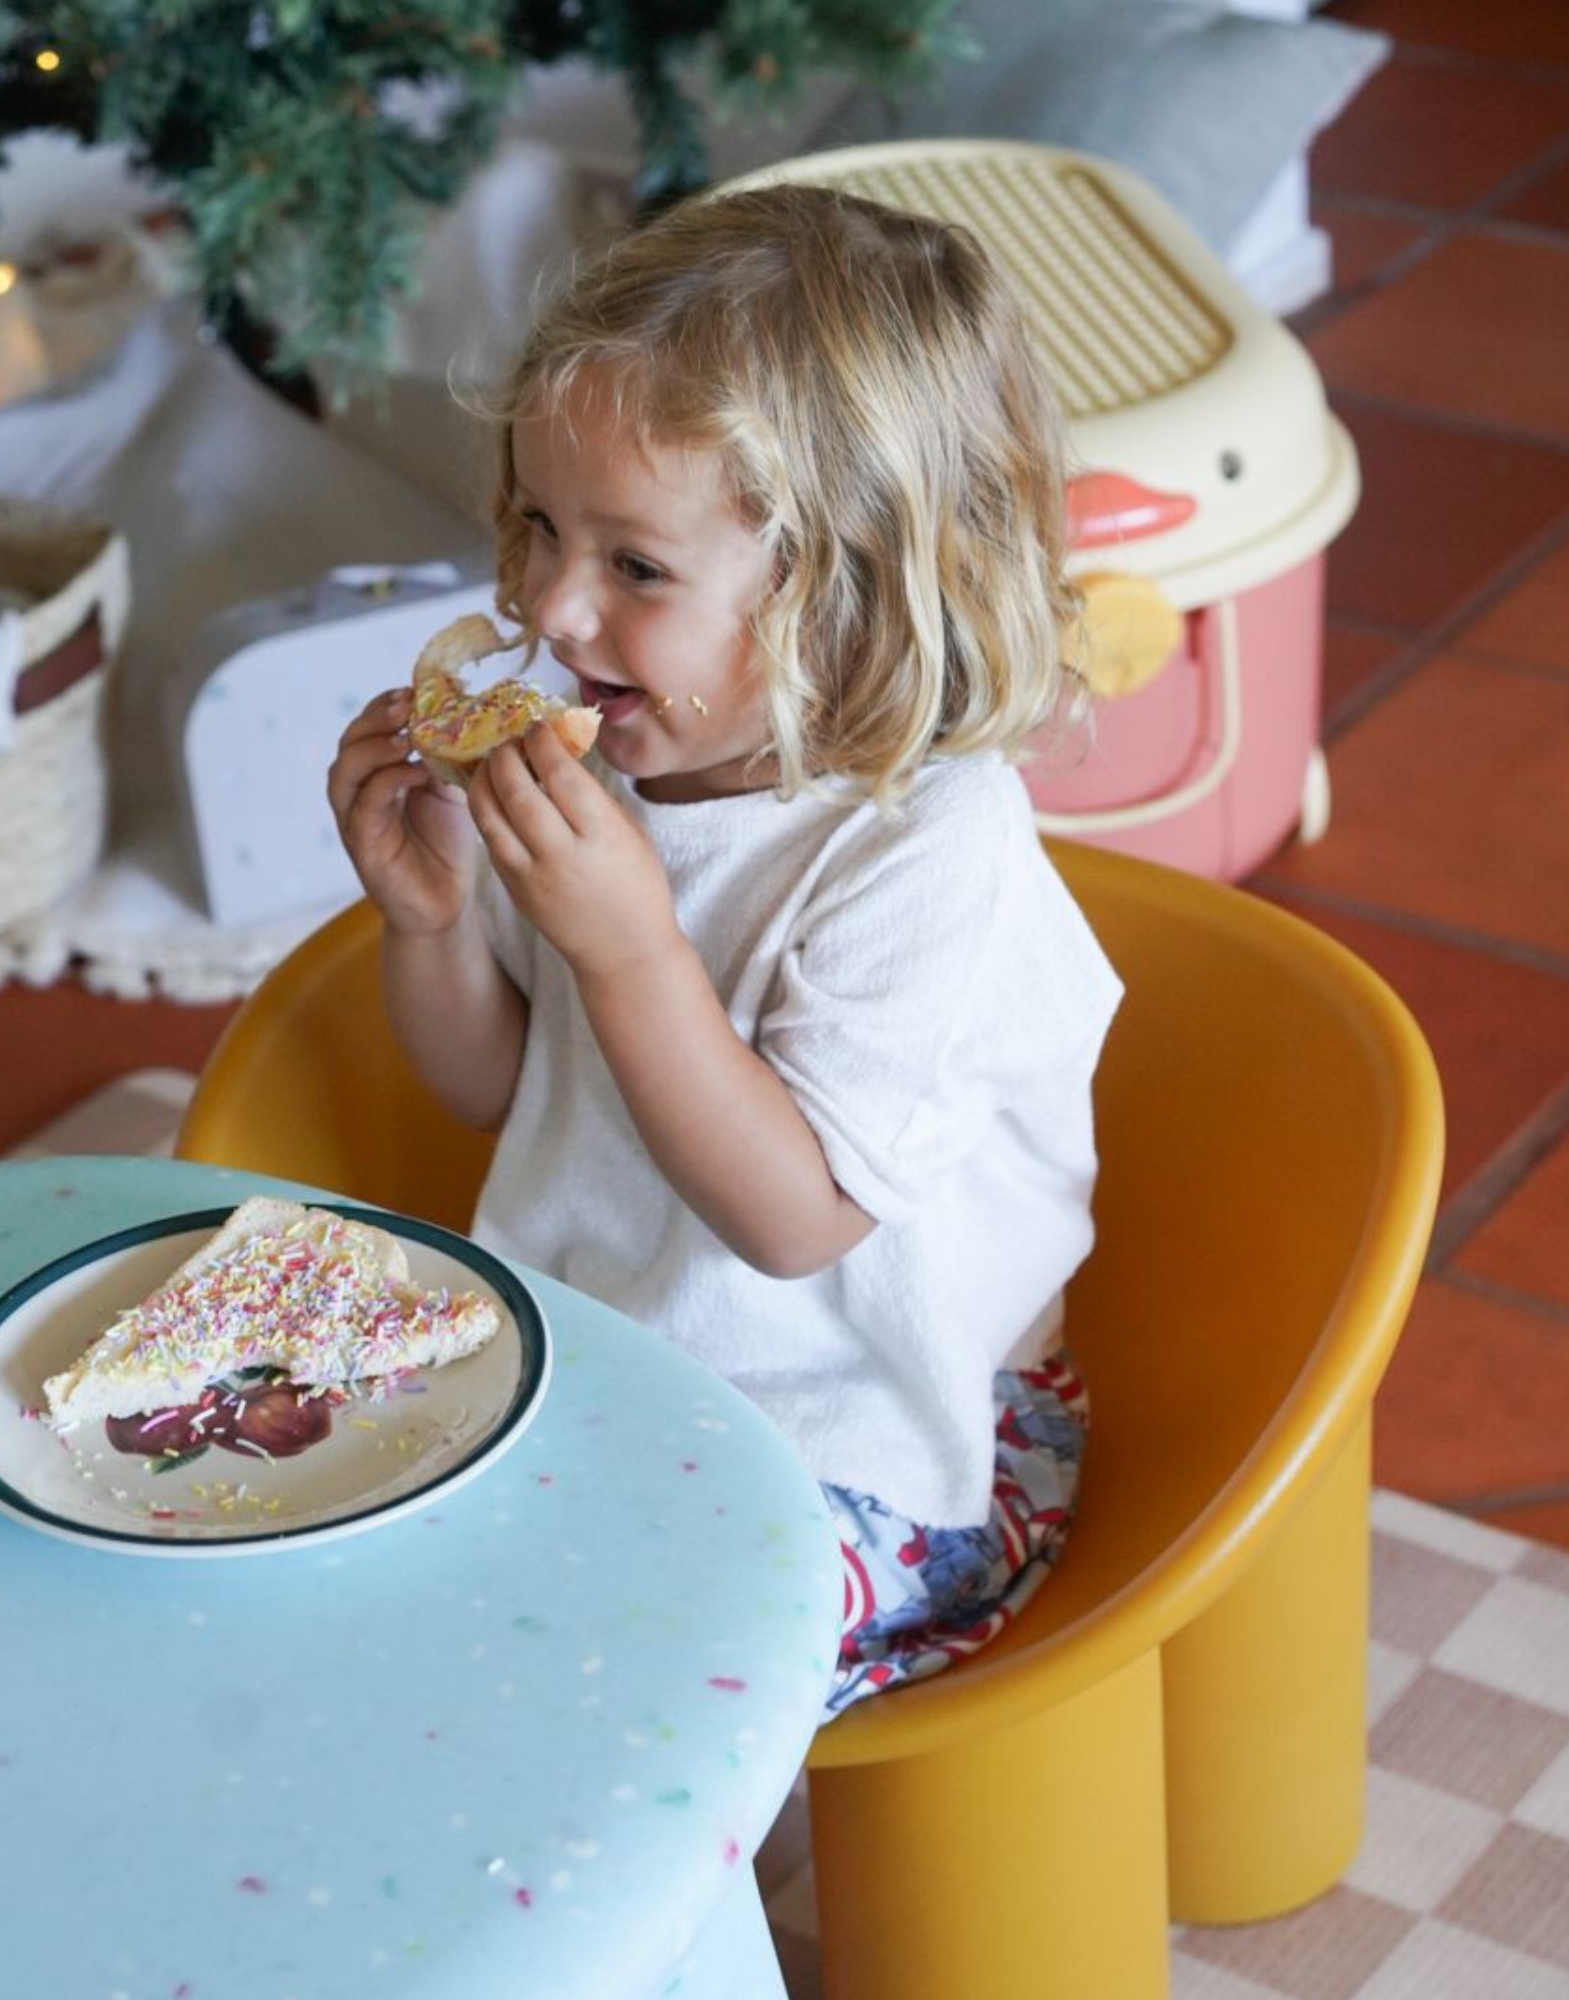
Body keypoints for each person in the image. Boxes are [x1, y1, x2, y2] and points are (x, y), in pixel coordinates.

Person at [328, 182, 1122, 1714]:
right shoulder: (606, 764)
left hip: (894, 1449)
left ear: (850, 594)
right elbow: (492, 1086)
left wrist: (631, 953)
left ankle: (641, 1936)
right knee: (332, 1560)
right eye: (542, 529)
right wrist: (429, 919)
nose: (553, 608)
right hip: (604, 1379)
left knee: (604, 1679)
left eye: (637, 568)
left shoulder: (926, 847)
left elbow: (796, 1223)